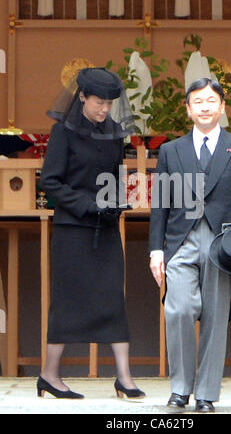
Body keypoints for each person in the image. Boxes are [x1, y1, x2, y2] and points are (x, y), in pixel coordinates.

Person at [149, 78, 231, 413]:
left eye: (211, 100)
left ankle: (205, 394)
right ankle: (180, 388)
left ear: (222, 107)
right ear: (188, 109)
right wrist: (156, 250)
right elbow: (161, 203)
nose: (204, 106)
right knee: (179, 309)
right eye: (197, 101)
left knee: (216, 319)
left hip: (221, 243)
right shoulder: (172, 150)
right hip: (180, 242)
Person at [38, 67, 145, 400]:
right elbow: (50, 182)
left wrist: (117, 200)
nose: (104, 109)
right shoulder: (63, 132)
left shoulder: (115, 132)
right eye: (99, 102)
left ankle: (124, 378)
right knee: (67, 299)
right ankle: (49, 375)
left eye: (110, 103)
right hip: (73, 228)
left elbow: (114, 176)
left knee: (113, 296)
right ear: (82, 97)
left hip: (106, 227)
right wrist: (87, 203)